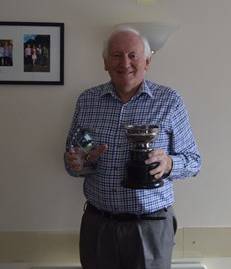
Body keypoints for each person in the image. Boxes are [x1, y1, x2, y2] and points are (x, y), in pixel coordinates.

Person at [64, 26, 201, 269]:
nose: (124, 62)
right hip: (99, 225)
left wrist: (169, 164)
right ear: (105, 62)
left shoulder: (169, 100)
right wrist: (76, 163)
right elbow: (73, 158)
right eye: (116, 55)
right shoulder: (87, 100)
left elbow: (193, 161)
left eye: (133, 55)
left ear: (147, 61)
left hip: (151, 225)